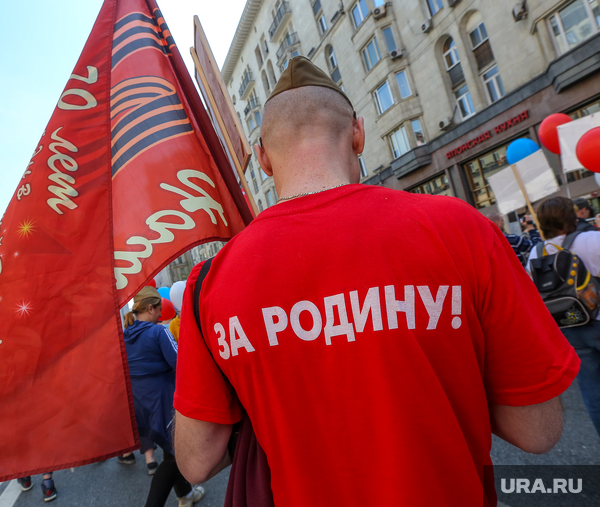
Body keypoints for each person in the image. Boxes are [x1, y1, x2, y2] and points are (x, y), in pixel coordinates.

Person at [172, 56, 578, 507]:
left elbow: (195, 461)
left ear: (264, 158)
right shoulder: (458, 228)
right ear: (358, 134)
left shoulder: (209, 283)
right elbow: (538, 429)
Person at [123, 286, 204, 507]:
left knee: (171, 451)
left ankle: (186, 495)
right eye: (159, 310)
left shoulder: (123, 334)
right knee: (174, 457)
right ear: (150, 308)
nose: (161, 315)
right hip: (164, 402)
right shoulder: (158, 331)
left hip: (140, 404)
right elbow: (181, 363)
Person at [528, 196, 600, 437]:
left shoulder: (535, 253)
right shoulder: (590, 239)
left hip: (568, 324)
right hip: (598, 317)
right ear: (571, 216)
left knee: (592, 389)